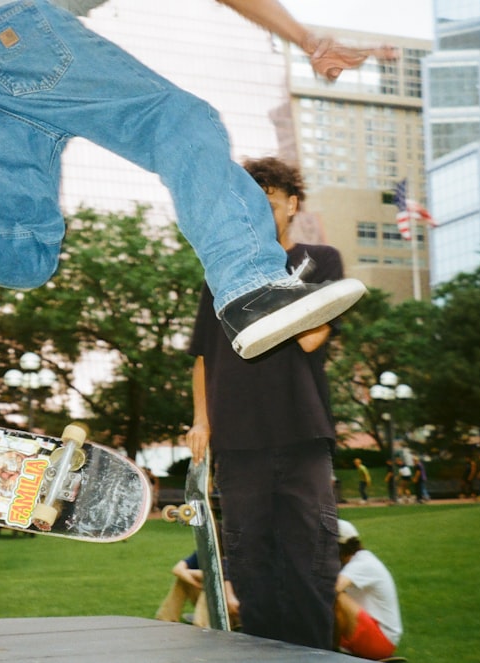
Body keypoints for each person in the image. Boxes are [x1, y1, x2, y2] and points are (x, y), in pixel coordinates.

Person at [0, 1, 396, 361]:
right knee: (177, 120)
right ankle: (253, 286)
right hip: (6, 34)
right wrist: (308, 40)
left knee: (30, 248)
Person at [187, 157, 342, 649]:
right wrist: (200, 423)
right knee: (250, 566)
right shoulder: (219, 276)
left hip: (302, 432)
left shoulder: (320, 259)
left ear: (292, 204)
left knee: (310, 560)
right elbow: (202, 358)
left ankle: (318, 655)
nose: (256, 212)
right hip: (237, 437)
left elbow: (313, 338)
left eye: (268, 201)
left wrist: (267, 269)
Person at [334, 519, 402, 660]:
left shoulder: (362, 563)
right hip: (376, 636)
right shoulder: (355, 562)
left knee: (335, 596)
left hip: (381, 642)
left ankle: (329, 651)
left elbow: (333, 589)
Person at [154, 551, 240, 629]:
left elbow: (217, 576)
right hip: (215, 604)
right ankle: (165, 620)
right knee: (183, 579)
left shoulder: (235, 555)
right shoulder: (205, 551)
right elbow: (177, 569)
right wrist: (197, 584)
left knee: (210, 583)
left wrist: (191, 573)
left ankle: (201, 628)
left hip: (235, 608)